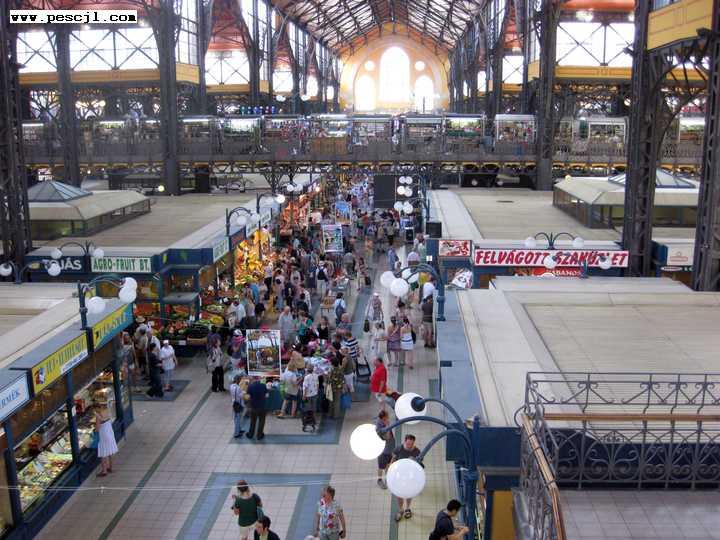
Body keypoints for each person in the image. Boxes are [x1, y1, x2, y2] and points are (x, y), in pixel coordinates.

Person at [392, 434, 421, 522]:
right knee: (399, 494)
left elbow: (419, 465)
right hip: (399, 476)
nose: (409, 446)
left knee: (409, 493)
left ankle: (407, 508)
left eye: (411, 444)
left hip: (410, 477)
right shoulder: (399, 448)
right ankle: (401, 509)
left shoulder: (417, 451)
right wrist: (390, 469)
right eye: (408, 444)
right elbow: (393, 458)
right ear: (404, 442)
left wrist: (414, 461)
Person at [95, 405, 118, 477]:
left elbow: (97, 428)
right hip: (110, 433)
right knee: (110, 451)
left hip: (103, 436)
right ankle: (111, 467)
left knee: (103, 453)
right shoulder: (107, 412)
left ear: (97, 408)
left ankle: (104, 471)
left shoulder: (98, 416)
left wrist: (94, 428)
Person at [375, 409, 395, 489]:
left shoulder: (383, 422)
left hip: (390, 448)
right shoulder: (380, 428)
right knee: (381, 466)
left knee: (388, 465)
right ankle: (379, 480)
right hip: (383, 451)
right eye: (387, 417)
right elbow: (387, 437)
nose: (388, 418)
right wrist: (387, 426)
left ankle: (387, 478)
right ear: (383, 418)